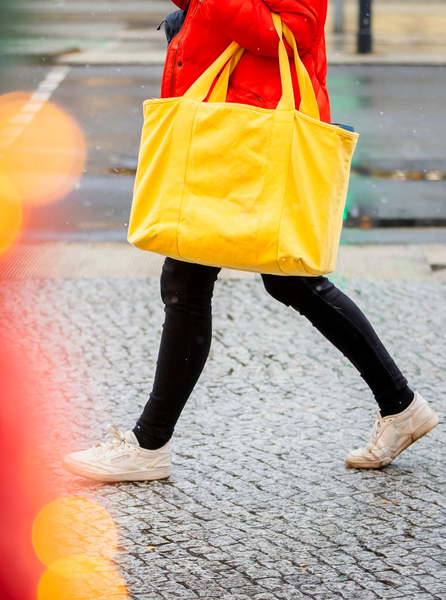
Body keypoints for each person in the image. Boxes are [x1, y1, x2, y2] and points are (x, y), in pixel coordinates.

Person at [62, 0, 439, 482]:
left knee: (196, 276)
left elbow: (295, 32)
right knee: (271, 281)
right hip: (230, 118)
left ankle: (148, 444)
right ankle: (400, 404)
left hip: (249, 128)